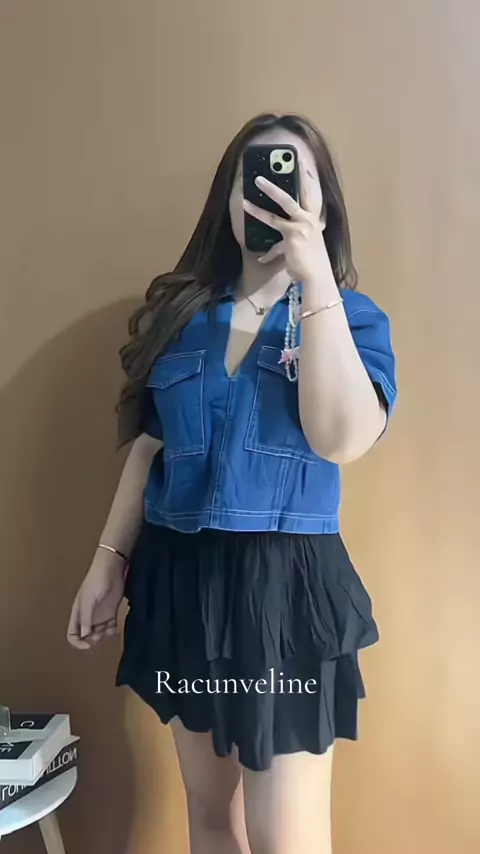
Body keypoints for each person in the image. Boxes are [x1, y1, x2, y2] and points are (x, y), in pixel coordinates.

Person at [67, 112, 397, 854]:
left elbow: (342, 439)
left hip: (283, 591)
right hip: (182, 582)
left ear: (323, 204)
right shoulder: (181, 318)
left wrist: (315, 281)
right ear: (229, 198)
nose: (271, 194)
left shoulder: (351, 319)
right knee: (210, 811)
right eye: (254, 179)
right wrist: (108, 561)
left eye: (294, 178)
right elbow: (150, 446)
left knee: (286, 836)